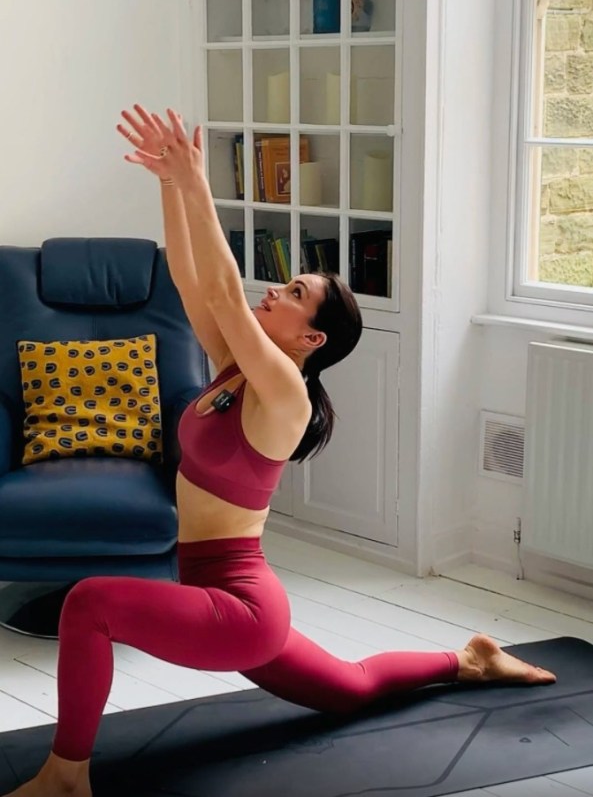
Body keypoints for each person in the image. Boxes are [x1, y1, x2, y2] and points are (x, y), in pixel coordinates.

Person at [4, 105, 556, 797]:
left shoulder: (286, 396)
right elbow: (188, 280)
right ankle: (467, 656)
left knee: (87, 602)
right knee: (350, 688)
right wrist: (169, 186)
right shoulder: (237, 370)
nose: (276, 290)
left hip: (236, 608)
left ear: (311, 338)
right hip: (217, 591)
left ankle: (66, 777)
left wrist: (196, 181)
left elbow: (224, 295)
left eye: (294, 292)